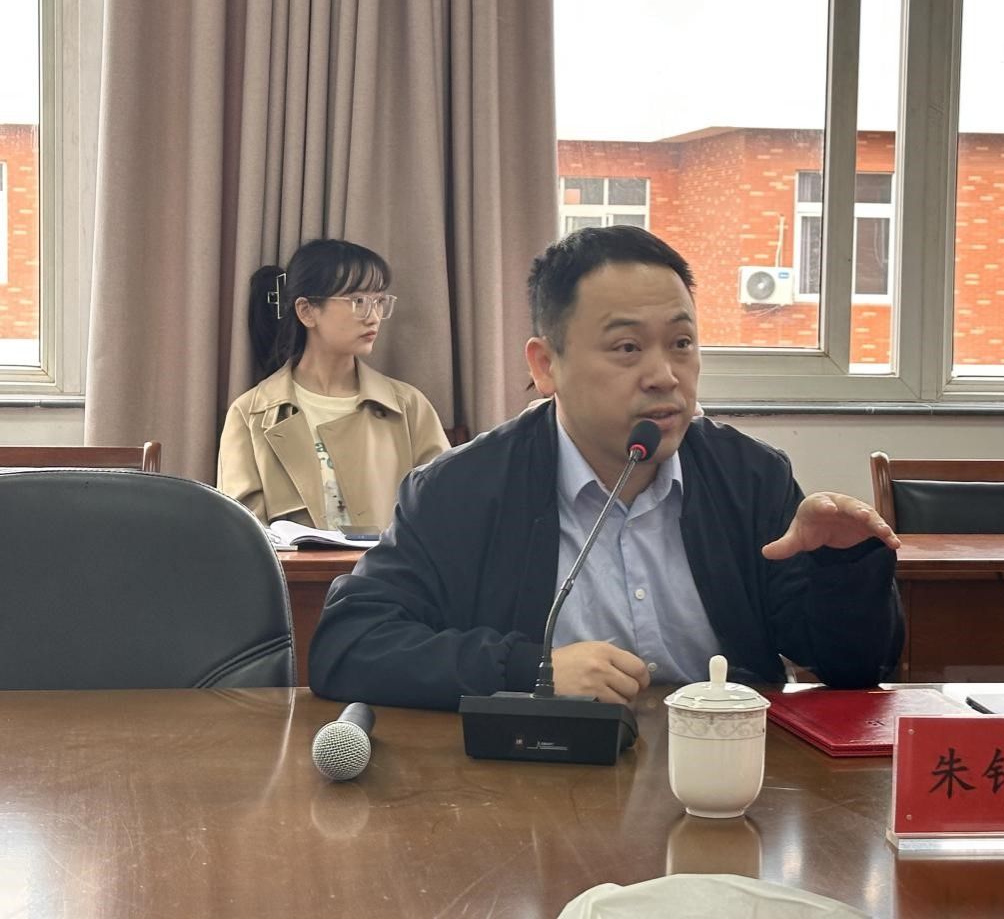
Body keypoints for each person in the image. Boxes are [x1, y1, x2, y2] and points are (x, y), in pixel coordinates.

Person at [309, 226, 903, 710]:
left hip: (722, 778)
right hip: (532, 785)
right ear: (546, 366)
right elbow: (349, 645)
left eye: (681, 343)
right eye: (627, 348)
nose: (664, 376)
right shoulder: (461, 490)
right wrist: (534, 671)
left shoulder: (750, 478)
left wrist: (842, 569)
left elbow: (853, 668)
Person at [218, 239, 449, 530]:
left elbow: (446, 509)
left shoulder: (409, 407)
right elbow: (242, 534)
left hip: (393, 562)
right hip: (288, 563)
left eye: (379, 301)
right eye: (358, 301)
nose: (374, 317)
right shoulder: (250, 414)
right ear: (306, 311)